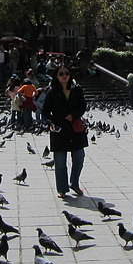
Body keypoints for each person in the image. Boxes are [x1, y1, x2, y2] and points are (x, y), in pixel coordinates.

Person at [44, 66, 88, 198]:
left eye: (67, 73)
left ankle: (74, 183)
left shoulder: (77, 89)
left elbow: (83, 106)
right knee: (60, 162)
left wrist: (74, 115)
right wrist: (50, 122)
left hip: (75, 128)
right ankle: (62, 188)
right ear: (56, 76)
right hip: (59, 129)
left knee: (79, 157)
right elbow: (45, 111)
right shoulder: (52, 91)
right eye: (61, 73)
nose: (64, 76)